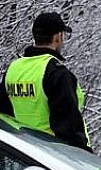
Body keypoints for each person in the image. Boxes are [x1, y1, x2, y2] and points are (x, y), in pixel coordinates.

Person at [0, 12, 92, 152]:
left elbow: (4, 116)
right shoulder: (56, 73)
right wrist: (85, 157)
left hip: (23, 154)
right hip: (54, 156)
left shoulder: (13, 69)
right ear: (57, 37)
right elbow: (69, 127)